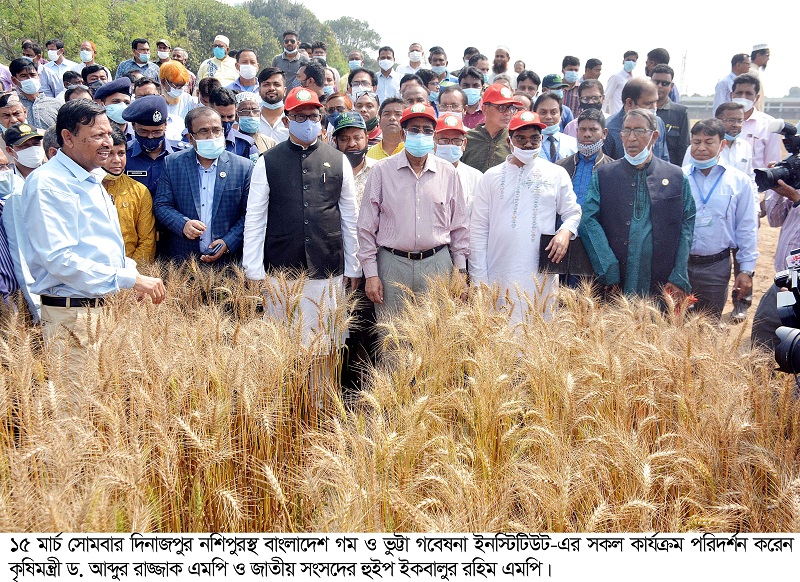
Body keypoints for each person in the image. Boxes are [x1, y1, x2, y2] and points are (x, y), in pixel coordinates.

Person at [22, 99, 165, 363]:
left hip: (100, 311)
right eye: (98, 136)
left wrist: (131, 275)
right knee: (75, 402)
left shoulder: (91, 179)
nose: (108, 143)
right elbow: (58, 259)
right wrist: (128, 280)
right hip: (72, 318)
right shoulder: (50, 185)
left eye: (109, 134)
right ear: (68, 137)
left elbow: (97, 248)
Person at [243, 87, 361, 348]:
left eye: (313, 116)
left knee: (326, 344)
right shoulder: (267, 162)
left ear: (321, 119)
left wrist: (354, 266)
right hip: (282, 271)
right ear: (286, 121)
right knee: (284, 346)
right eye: (300, 117)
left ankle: (321, 391)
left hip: (327, 267)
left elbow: (350, 218)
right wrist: (253, 269)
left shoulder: (339, 161)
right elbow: (255, 219)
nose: (308, 122)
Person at [357, 103, 469, 322]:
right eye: (414, 129)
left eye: (427, 130)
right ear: (402, 134)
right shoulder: (381, 171)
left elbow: (460, 227)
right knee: (393, 340)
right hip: (392, 264)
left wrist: (460, 272)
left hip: (437, 264)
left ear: (434, 136)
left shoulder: (448, 172)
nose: (421, 135)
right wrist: (371, 273)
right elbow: (366, 228)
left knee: (434, 340)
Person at [471, 110, 581, 323]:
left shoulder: (556, 174)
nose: (528, 144)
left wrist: (565, 232)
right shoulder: (491, 177)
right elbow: (478, 231)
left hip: (539, 277)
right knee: (498, 335)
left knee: (537, 335)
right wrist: (478, 280)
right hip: (497, 274)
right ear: (510, 140)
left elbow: (572, 212)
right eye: (521, 138)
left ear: (541, 139)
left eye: (534, 138)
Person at [580, 108, 694, 301]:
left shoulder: (675, 176)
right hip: (615, 281)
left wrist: (679, 275)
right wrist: (607, 266)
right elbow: (588, 220)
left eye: (639, 131)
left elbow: (686, 225)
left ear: (654, 136)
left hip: (661, 279)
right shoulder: (604, 175)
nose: (631, 138)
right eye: (626, 131)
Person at [154, 107, 252, 264]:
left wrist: (228, 242)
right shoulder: (173, 163)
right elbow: (162, 205)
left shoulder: (243, 167)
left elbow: (250, 214)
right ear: (190, 138)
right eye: (204, 131)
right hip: (184, 263)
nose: (211, 136)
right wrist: (183, 224)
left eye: (216, 130)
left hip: (227, 265)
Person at [682, 118, 757, 319]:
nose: (701, 148)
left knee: (708, 323)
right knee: (675, 323)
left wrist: (746, 270)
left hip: (716, 266)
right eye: (696, 142)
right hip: (681, 264)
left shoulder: (739, 181)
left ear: (722, 144)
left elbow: (746, 227)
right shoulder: (679, 177)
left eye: (709, 142)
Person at [332, 112, 378, 390]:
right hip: (337, 265)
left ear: (367, 139)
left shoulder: (380, 171)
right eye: (345, 138)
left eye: (357, 137)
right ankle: (342, 391)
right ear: (334, 141)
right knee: (340, 334)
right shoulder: (327, 170)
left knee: (369, 332)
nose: (352, 144)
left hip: (372, 266)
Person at [752, 181, 800, 350]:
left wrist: (796, 198)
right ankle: (760, 376)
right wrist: (779, 192)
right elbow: (774, 219)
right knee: (766, 329)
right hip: (785, 280)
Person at [103, 128, 156, 263]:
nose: (116, 160)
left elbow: (147, 242)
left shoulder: (139, 191)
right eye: (109, 154)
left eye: (121, 153)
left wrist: (132, 277)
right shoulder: (85, 188)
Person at [0, 147, 38, 319]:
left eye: (7, 165)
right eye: (0, 168)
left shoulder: (7, 204)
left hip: (19, 297)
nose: (6, 172)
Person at [123, 95, 185, 196]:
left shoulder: (181, 154)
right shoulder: (123, 155)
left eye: (157, 132)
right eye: (144, 132)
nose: (150, 137)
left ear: (165, 125)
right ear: (133, 125)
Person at [603, 78, 670, 163]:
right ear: (629, 103)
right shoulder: (609, 130)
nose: (654, 108)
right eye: (648, 103)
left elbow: (664, 158)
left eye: (655, 102)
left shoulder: (658, 122)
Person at [557, 108, 613, 207]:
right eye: (582, 130)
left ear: (604, 133)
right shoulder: (561, 167)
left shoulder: (613, 169)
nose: (587, 134)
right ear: (577, 131)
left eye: (593, 130)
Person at [462, 84, 522, 173]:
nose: (507, 113)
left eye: (511, 108)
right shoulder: (467, 138)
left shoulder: (515, 140)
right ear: (485, 109)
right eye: (501, 108)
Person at [433, 113, 483, 210]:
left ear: (464, 144)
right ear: (434, 141)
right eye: (444, 140)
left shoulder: (476, 178)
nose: (450, 145)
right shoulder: (423, 174)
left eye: (456, 140)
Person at [651, 64, 690, 166]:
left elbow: (683, 148)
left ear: (671, 87)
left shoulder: (680, 113)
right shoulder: (640, 110)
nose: (659, 86)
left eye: (665, 83)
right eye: (656, 82)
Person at [8, 58, 60, 130]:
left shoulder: (56, 104)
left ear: (38, 76)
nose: (30, 79)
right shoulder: (11, 107)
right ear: (14, 80)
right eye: (24, 76)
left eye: (32, 75)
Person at [209, 87, 258, 161]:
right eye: (221, 116)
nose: (226, 120)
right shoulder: (196, 139)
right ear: (209, 111)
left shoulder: (246, 145)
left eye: (230, 116)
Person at [534, 93, 577, 163]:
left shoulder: (573, 144)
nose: (548, 117)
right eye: (543, 112)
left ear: (560, 114)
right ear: (535, 113)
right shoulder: (529, 144)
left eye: (553, 112)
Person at [258, 67, 289, 143]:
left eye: (276, 84)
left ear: (284, 91)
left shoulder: (293, 119)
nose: (271, 88)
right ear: (259, 90)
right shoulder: (252, 119)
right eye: (266, 84)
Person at [604, 50, 638, 116]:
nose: (631, 62)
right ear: (623, 61)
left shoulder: (634, 80)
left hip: (629, 116)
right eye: (628, 60)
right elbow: (606, 97)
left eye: (633, 60)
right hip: (616, 115)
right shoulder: (616, 77)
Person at [749, 43, 769, 112]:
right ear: (758, 55)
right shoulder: (752, 72)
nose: (768, 59)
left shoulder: (755, 71)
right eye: (767, 56)